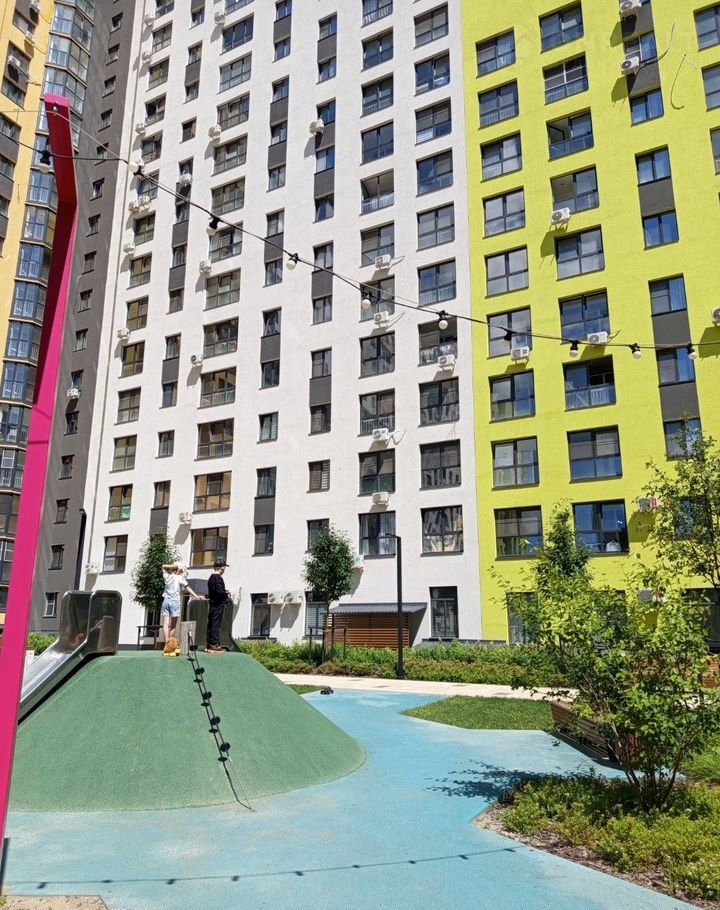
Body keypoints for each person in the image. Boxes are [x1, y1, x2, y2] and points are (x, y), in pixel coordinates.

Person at [160, 563, 203, 644]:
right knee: (173, 626)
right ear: (178, 569)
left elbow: (163, 566)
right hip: (175, 601)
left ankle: (166, 642)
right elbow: (187, 587)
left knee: (166, 624)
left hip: (166, 600)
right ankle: (170, 644)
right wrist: (196, 596)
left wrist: (174, 567)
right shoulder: (179, 578)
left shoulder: (167, 576)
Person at [206, 558, 231, 653]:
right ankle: (214, 644)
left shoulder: (211, 578)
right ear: (222, 567)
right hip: (218, 604)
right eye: (224, 567)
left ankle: (209, 643)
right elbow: (219, 592)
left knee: (211, 623)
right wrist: (226, 594)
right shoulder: (218, 578)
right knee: (216, 624)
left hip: (212, 603)